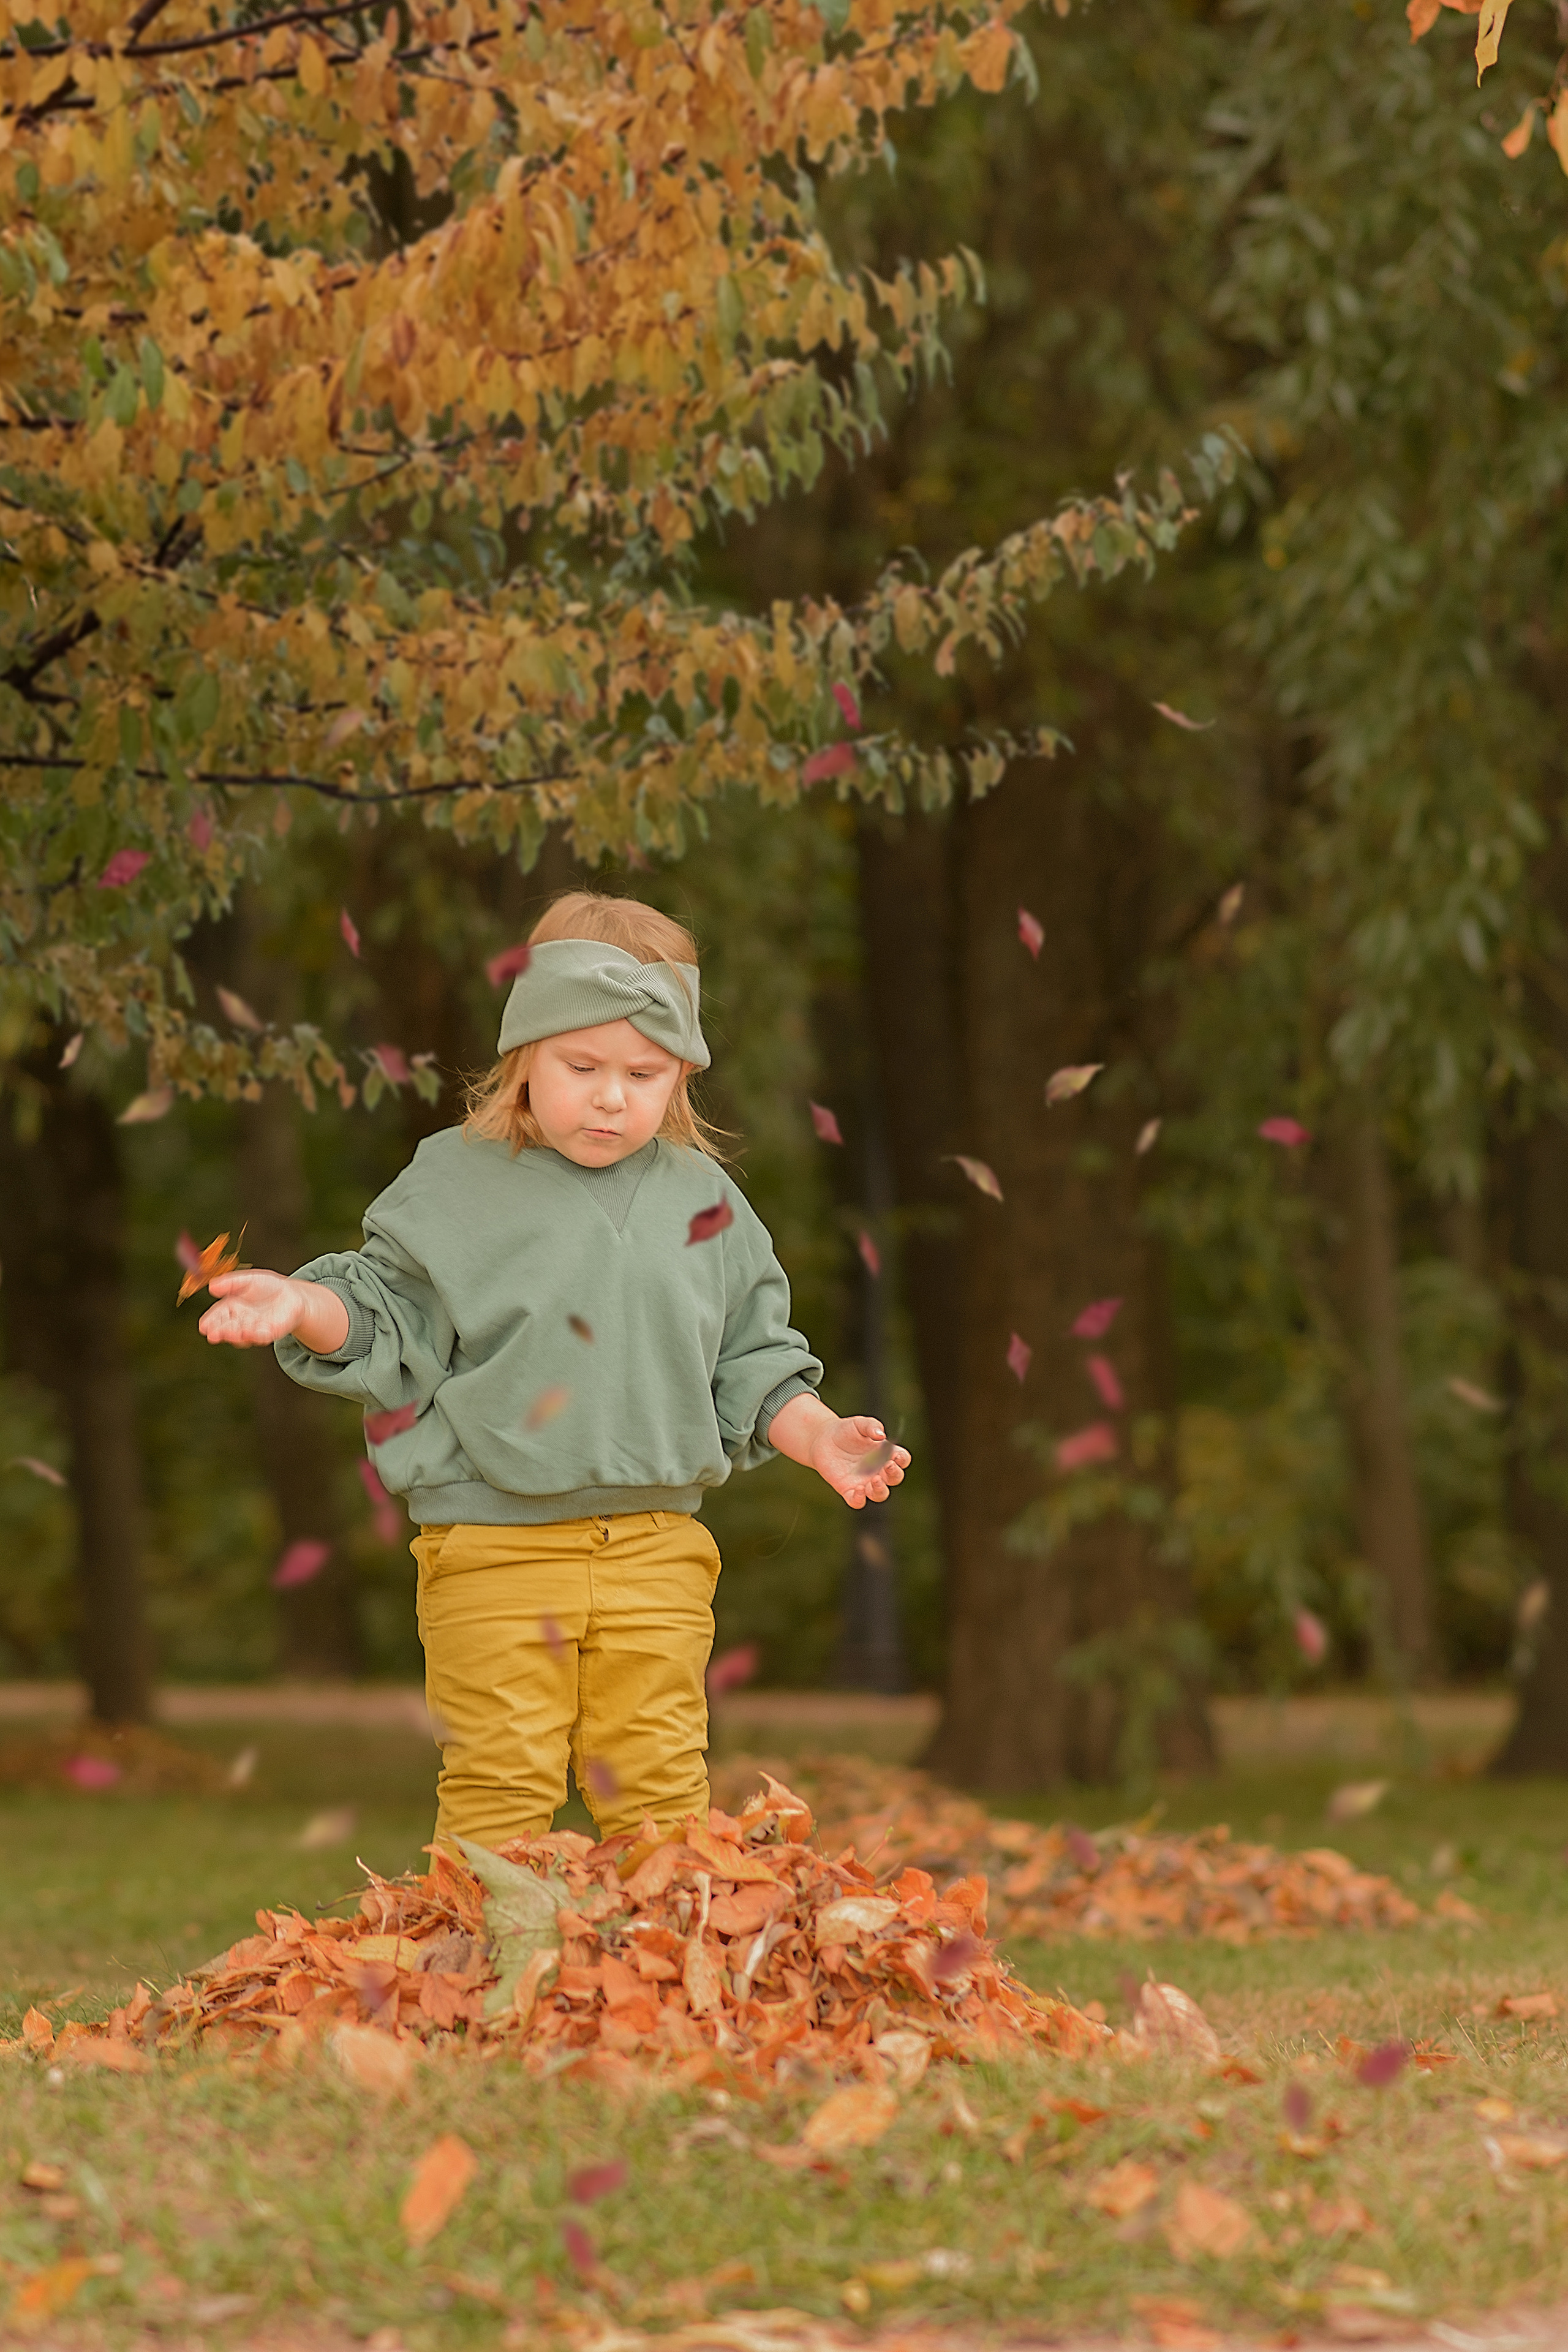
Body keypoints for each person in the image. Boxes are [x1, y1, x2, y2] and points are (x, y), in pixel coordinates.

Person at [198, 891, 910, 1852]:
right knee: (502, 1778)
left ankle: (654, 1991)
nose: (613, 1096)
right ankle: (488, 1986)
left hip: (658, 1548)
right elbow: (384, 1314)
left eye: (645, 1074)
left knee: (662, 1791)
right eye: (583, 1067)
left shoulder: (706, 1202)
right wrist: (303, 1306)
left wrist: (820, 1435)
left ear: (682, 1077)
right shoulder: (454, 1182)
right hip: (493, 1547)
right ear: (524, 1055)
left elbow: (754, 1360)